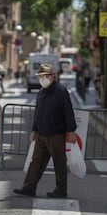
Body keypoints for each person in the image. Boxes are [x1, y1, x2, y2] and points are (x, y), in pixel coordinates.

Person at [13, 64, 77, 198]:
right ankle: (29, 187)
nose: (43, 79)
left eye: (45, 76)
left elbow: (68, 112)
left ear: (53, 76)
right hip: (42, 133)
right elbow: (38, 112)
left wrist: (71, 131)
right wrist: (34, 130)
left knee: (59, 162)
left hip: (56, 134)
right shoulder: (41, 91)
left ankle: (61, 190)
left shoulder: (61, 91)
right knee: (36, 162)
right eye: (41, 77)